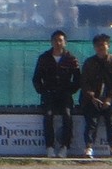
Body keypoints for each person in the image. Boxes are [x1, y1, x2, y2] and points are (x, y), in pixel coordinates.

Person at [30, 29, 82, 157]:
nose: (58, 43)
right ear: (51, 42)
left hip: (65, 95)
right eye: (55, 40)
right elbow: (36, 78)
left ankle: (65, 147)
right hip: (49, 94)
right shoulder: (44, 58)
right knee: (48, 116)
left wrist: (70, 90)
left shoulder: (71, 59)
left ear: (65, 42)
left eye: (60, 40)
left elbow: (78, 79)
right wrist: (43, 91)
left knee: (67, 116)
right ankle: (50, 147)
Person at [77, 33, 112, 159]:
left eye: (103, 44)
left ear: (108, 46)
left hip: (111, 98)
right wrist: (92, 97)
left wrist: (109, 99)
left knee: (111, 121)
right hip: (92, 99)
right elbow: (84, 83)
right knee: (91, 121)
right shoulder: (89, 63)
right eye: (98, 45)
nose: (101, 47)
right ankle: (88, 148)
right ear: (94, 47)